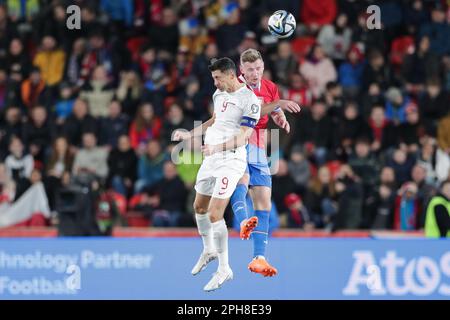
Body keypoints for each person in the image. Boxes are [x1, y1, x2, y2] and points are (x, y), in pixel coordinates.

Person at [173, 57, 261, 292]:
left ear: (231, 75)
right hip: (211, 157)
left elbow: (243, 137)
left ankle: (224, 269)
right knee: (199, 207)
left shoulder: (250, 100)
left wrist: (216, 148)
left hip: (231, 160)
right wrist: (190, 134)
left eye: (217, 78)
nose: (215, 83)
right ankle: (209, 249)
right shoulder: (218, 95)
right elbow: (214, 120)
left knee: (214, 213)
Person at [230, 48, 301, 277]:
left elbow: (273, 109)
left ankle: (259, 257)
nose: (255, 73)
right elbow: (254, 111)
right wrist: (278, 104)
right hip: (237, 140)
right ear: (241, 70)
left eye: (258, 68)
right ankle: (242, 222)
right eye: (250, 69)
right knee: (242, 180)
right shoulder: (233, 86)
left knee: (264, 203)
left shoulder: (270, 87)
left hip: (259, 147)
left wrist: (280, 117)